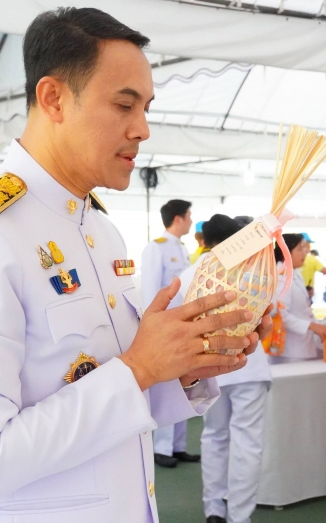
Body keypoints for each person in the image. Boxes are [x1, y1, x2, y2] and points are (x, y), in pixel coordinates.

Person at [0, 8, 270, 523]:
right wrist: (140, 365)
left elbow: (115, 391)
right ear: (53, 98)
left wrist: (188, 361)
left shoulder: (98, 227)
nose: (142, 129)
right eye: (124, 105)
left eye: (146, 107)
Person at [173, 214, 272, 523]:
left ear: (204, 241)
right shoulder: (253, 271)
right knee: (247, 442)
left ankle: (213, 510)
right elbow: (271, 314)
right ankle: (239, 516)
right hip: (249, 365)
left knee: (214, 436)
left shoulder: (188, 274)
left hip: (208, 366)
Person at [140, 199, 199, 468]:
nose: (190, 221)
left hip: (185, 321)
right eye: (188, 216)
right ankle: (162, 447)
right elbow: (151, 288)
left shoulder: (182, 249)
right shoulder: (157, 248)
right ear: (178, 218)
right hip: (166, 324)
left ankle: (178, 446)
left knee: (184, 382)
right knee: (166, 383)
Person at [269, 234, 326, 364]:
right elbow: (281, 314)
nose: (305, 252)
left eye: (305, 248)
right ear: (286, 252)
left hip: (302, 347)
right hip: (291, 352)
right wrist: (313, 326)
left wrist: (321, 325)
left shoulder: (294, 273)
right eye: (300, 249)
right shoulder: (282, 277)